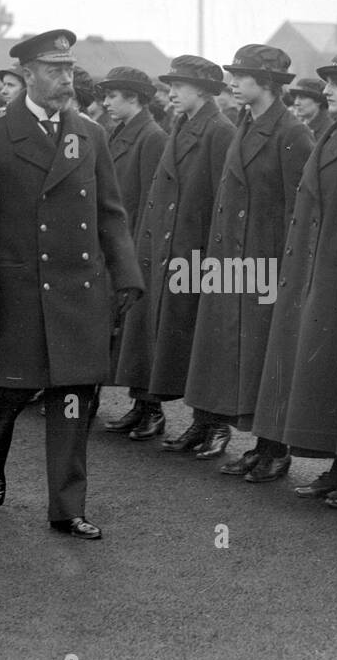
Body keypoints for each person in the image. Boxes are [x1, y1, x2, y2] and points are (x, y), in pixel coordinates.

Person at [0, 29, 141, 540]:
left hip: (78, 289)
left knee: (75, 396)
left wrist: (127, 277)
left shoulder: (91, 135)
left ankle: (67, 506)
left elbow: (111, 216)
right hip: (17, 291)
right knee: (10, 393)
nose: (66, 79)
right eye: (55, 70)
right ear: (28, 74)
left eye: (69, 69)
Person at [251, 52, 337, 506]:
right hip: (318, 264)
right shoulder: (334, 131)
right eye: (327, 82)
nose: (327, 91)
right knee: (326, 369)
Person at [183, 44, 313, 481]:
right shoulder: (247, 122)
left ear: (268, 84)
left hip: (267, 260)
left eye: (242, 77)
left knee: (265, 356)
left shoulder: (291, 132)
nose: (233, 84)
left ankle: (274, 449)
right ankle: (248, 440)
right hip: (235, 258)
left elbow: (301, 208)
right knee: (235, 352)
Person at [119, 55, 236, 455]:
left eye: (180, 85)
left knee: (195, 339)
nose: (171, 91)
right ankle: (148, 406)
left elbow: (224, 197)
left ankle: (212, 424)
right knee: (155, 329)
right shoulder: (183, 124)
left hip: (195, 250)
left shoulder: (219, 130)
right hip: (165, 246)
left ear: (202, 90)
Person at [98, 66, 168, 440]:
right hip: (117, 243)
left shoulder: (152, 137)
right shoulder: (122, 132)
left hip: (135, 244)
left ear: (136, 98)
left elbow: (150, 198)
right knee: (123, 329)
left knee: (138, 329)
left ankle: (150, 408)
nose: (106, 102)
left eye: (113, 95)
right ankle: (139, 405)